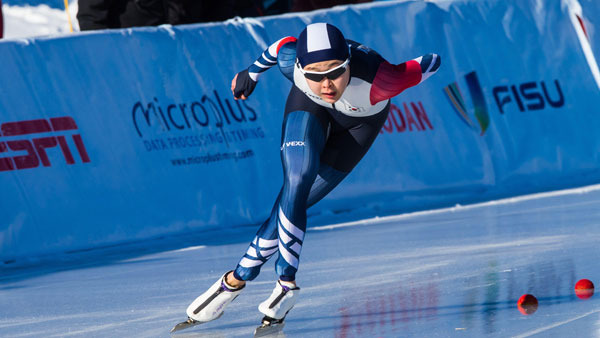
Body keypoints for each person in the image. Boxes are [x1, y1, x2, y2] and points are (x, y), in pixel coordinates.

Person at [184, 22, 441, 327]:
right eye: (316, 75)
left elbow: (432, 60)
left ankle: (235, 279)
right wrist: (251, 72)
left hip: (359, 126)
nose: (327, 85)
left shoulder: (383, 79)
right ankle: (285, 281)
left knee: (293, 201)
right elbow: (281, 45)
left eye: (335, 72)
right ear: (300, 68)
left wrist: (415, 69)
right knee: (297, 179)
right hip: (309, 108)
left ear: (349, 63)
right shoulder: (289, 63)